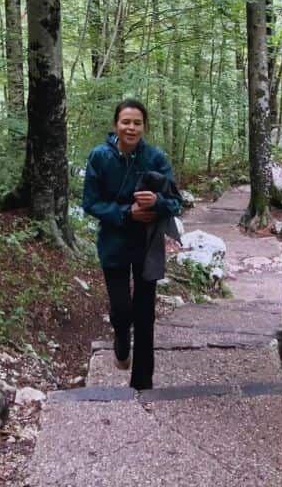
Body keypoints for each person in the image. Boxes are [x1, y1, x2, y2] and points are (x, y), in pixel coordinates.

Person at [82, 99, 181, 390]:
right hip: (113, 243)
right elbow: (90, 202)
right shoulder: (99, 157)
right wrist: (126, 213)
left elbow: (176, 201)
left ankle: (142, 383)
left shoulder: (154, 157)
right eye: (126, 122)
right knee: (122, 310)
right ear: (116, 125)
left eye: (137, 123)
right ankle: (121, 338)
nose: (131, 127)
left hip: (147, 245)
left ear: (144, 126)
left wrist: (158, 202)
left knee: (145, 313)